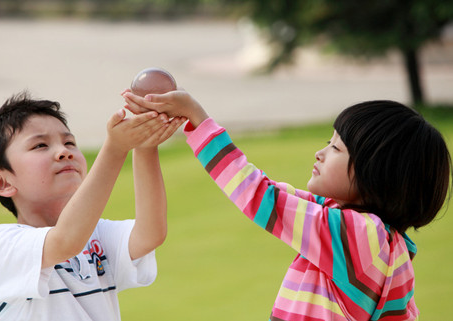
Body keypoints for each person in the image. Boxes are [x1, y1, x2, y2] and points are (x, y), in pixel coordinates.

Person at [123, 90, 452, 321]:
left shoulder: (360, 236)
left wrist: (198, 118)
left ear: (376, 174)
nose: (320, 154)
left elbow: (257, 195)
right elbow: (270, 192)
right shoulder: (374, 237)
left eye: (336, 148)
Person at [0, 91, 186, 320]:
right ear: (2, 182)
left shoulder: (96, 235)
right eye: (40, 145)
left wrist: (145, 144)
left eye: (69, 142)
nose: (64, 152)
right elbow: (66, 241)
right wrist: (115, 148)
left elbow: (150, 234)